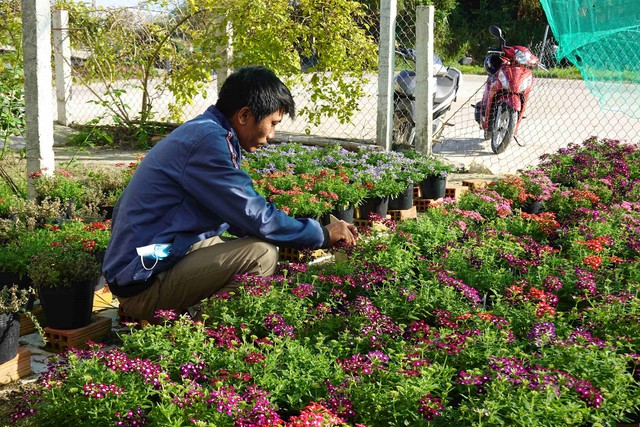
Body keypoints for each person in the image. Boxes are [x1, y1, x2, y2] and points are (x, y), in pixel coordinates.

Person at [102, 65, 358, 322]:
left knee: (237, 243)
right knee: (261, 255)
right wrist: (322, 234)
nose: (271, 135)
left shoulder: (206, 131)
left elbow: (241, 217)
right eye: (272, 123)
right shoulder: (208, 143)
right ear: (244, 115)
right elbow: (254, 216)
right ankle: (203, 338)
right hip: (142, 280)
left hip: (148, 261)